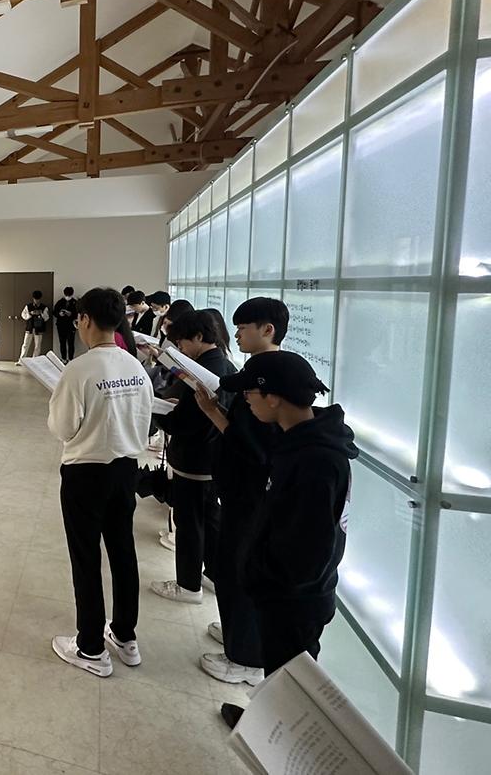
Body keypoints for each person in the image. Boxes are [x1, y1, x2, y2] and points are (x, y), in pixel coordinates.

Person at [215, 350, 357, 728]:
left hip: (294, 599)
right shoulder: (296, 442)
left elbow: (309, 550)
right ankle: (263, 724)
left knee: (291, 681)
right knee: (279, 677)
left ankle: (279, 740)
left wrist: (262, 577)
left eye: (250, 393)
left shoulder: (317, 462)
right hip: (283, 594)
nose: (246, 401)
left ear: (274, 397)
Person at [48, 288, 154, 678]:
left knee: (86, 557)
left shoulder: (79, 369)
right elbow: (145, 421)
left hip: (86, 473)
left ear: (85, 320)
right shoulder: (135, 366)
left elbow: (63, 428)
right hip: (126, 470)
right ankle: (125, 635)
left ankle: (91, 648)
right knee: (123, 552)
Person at [191, 298, 289, 692]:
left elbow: (256, 447)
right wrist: (212, 411)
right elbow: (240, 435)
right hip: (237, 488)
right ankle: (236, 633)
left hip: (253, 494)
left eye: (244, 328)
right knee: (231, 566)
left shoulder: (274, 379)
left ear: (268, 330)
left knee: (243, 569)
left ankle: (246, 657)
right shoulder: (253, 372)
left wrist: (215, 415)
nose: (236, 335)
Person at [149, 310, 237, 605]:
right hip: (211, 460)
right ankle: (212, 574)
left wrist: (160, 413)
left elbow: (187, 422)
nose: (181, 349)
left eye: (182, 343)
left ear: (199, 337)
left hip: (194, 459)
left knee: (188, 523)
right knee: (209, 520)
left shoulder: (202, 372)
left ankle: (187, 585)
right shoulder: (223, 364)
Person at [15, 290, 51, 363]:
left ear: (40, 299)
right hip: (30, 327)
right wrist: (30, 314)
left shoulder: (44, 307)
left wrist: (41, 313)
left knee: (37, 346)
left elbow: (47, 318)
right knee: (25, 344)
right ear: (33, 298)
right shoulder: (28, 306)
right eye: (35, 299)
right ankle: (21, 360)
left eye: (38, 299)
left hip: (39, 328)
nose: (36, 301)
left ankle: (35, 361)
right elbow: (23, 315)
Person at [53, 286, 78, 362]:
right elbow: (54, 312)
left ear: (72, 294)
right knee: (62, 342)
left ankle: (70, 359)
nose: (68, 297)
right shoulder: (60, 302)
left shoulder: (75, 303)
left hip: (71, 325)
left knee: (71, 343)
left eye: (69, 295)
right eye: (67, 295)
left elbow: (78, 314)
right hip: (61, 325)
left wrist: (71, 314)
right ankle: (63, 358)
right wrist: (59, 314)